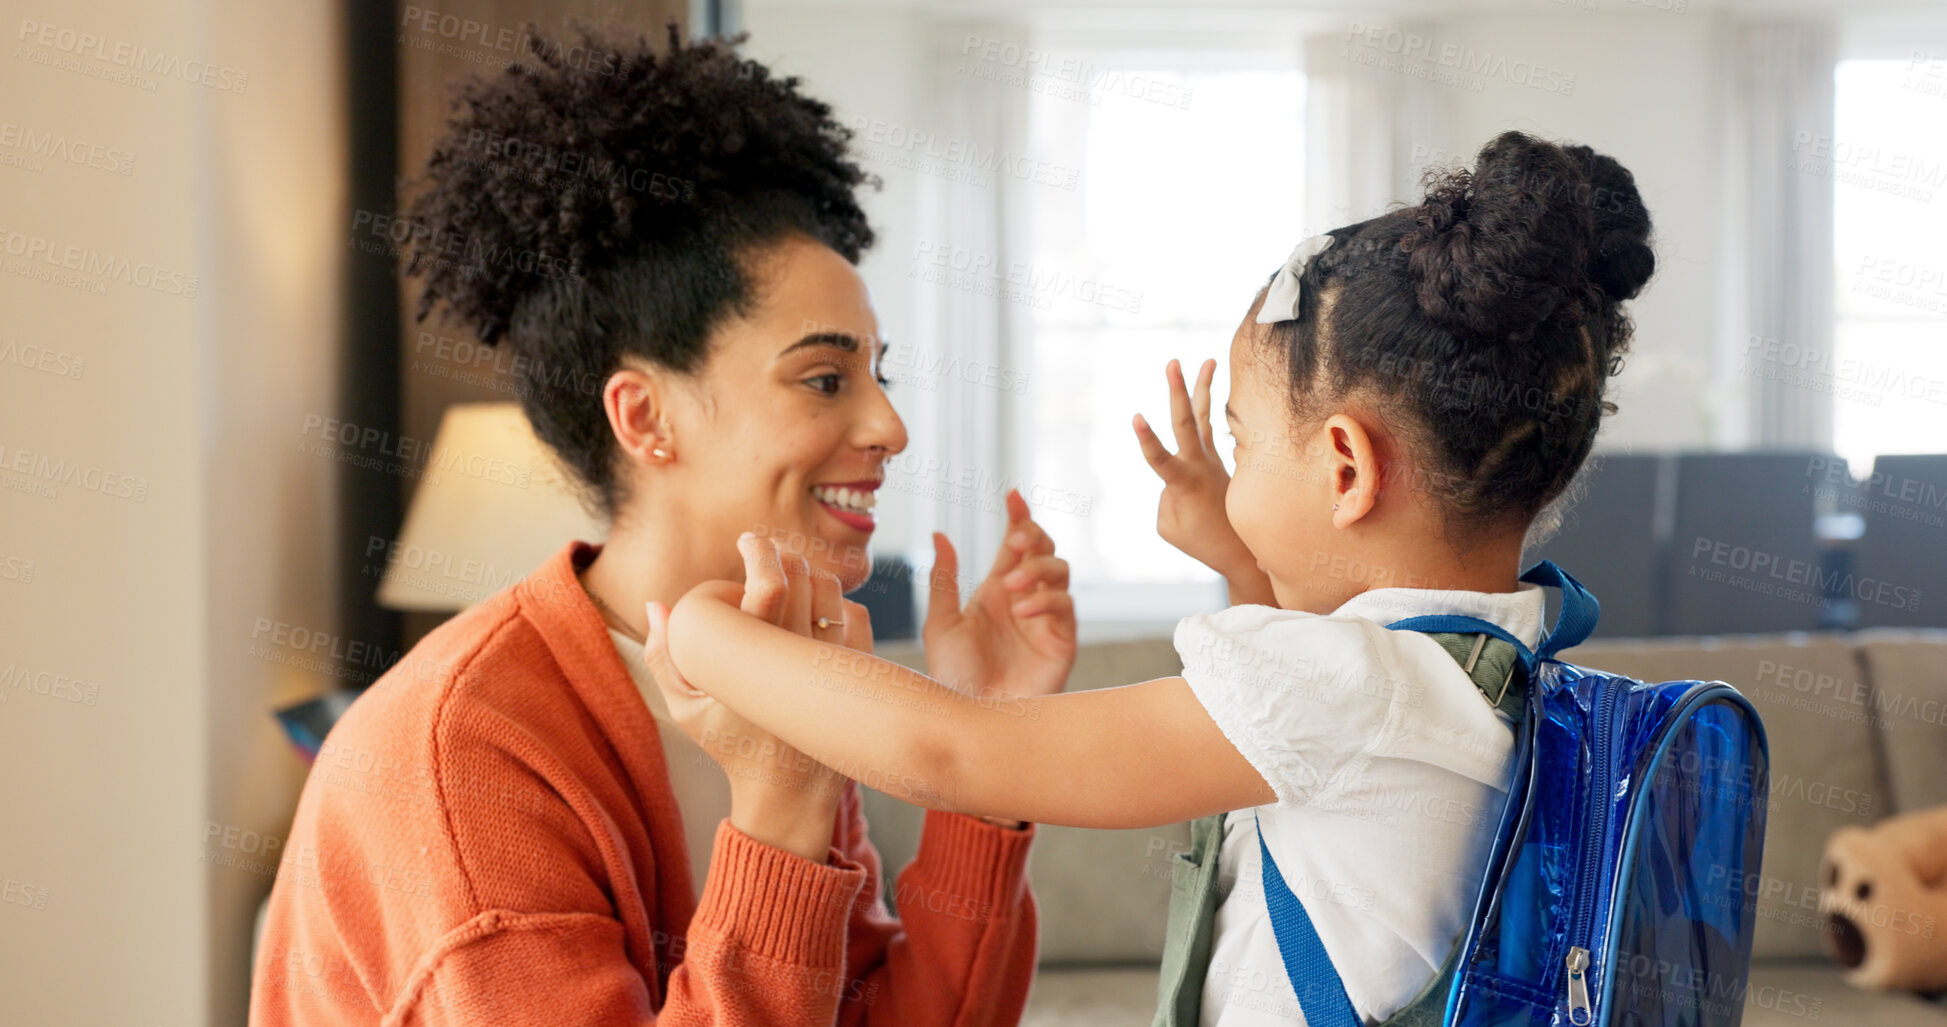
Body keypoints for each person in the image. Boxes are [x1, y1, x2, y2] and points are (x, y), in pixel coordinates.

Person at [648, 131, 1657, 1025]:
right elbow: (1323, 748)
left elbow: (947, 751)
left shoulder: (1344, 691)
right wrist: (1237, 551)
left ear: (1345, 470)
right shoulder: (1495, 666)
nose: (1234, 472)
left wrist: (704, 629)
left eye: (1246, 442)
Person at [250, 27, 1078, 1027]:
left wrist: (983, 752)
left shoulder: (778, 664)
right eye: (824, 378)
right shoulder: (464, 751)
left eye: (878, 374)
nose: (890, 427)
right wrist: (777, 817)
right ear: (644, 417)